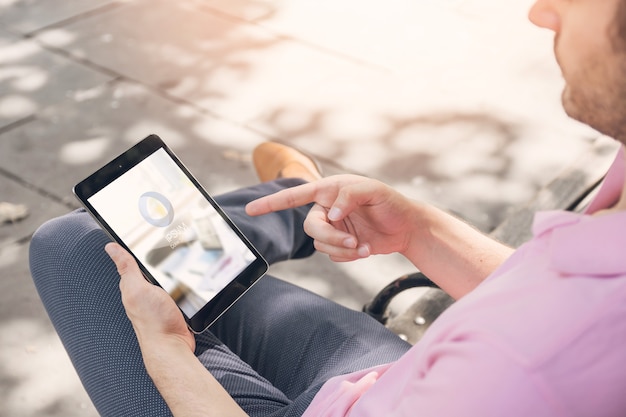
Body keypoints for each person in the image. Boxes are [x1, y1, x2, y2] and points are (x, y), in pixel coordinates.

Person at [29, 0, 626, 416]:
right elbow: (547, 295)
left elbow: (547, 337)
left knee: (80, 249)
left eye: (577, 0)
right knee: (171, 263)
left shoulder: (527, 364)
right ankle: (289, 202)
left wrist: (164, 352)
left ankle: (286, 203)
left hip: (441, 387)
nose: (541, 11)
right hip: (398, 383)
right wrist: (417, 229)